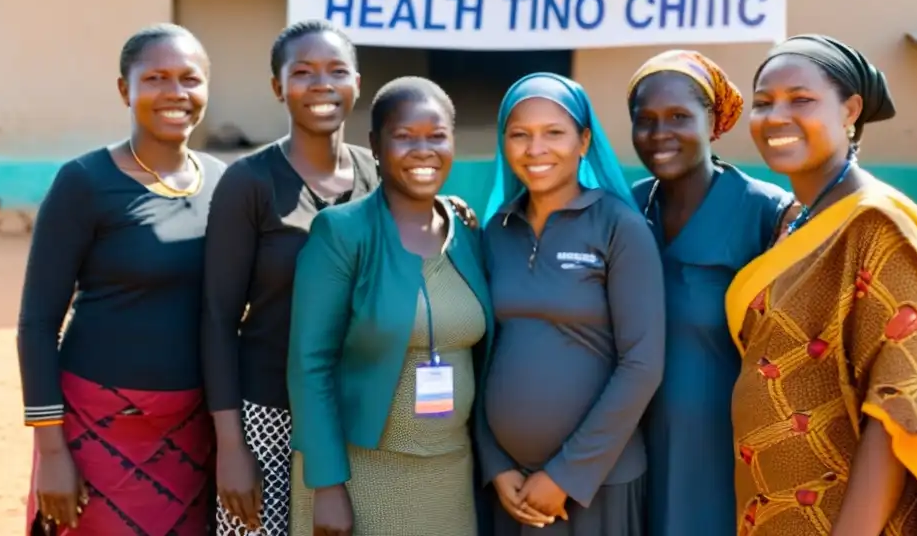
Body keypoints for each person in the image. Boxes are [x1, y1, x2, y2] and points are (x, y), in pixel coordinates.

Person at [202, 22, 478, 536]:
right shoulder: (249, 183)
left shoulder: (376, 173)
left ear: (356, 81)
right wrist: (231, 444)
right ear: (277, 86)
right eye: (302, 72)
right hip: (268, 412)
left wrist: (447, 207)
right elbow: (218, 318)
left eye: (336, 70)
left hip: (346, 413)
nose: (321, 83)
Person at [727, 34, 917, 536]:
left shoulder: (876, 226)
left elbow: (899, 403)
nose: (776, 116)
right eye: (763, 103)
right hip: (769, 511)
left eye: (801, 100)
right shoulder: (793, 221)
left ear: (850, 110)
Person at [17, 23, 225, 536]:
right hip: (99, 429)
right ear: (123, 90)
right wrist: (51, 453)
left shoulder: (226, 183)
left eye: (189, 79)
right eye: (155, 77)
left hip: (196, 433)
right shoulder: (85, 182)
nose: (175, 93)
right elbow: (38, 324)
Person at [288, 76, 493, 536]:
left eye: (437, 136)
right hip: (361, 473)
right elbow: (310, 363)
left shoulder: (467, 236)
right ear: (375, 146)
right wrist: (326, 483)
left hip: (449, 475)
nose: (424, 150)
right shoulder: (342, 234)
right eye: (405, 137)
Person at [477, 72, 665, 536]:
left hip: (597, 484)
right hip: (511, 487)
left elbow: (642, 364)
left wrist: (566, 474)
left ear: (583, 141)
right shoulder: (495, 232)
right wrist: (495, 464)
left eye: (553, 133)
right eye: (519, 134)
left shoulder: (619, 227)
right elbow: (479, 358)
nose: (535, 148)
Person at [625, 50, 794, 536]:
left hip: (723, 443)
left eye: (680, 116)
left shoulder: (765, 212)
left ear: (714, 122)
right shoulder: (626, 209)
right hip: (632, 441)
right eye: (646, 120)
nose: (661, 134)